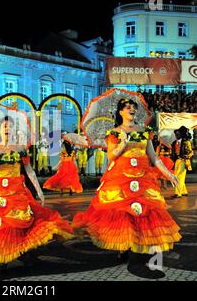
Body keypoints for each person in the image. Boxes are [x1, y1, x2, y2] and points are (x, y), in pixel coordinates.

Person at [72, 98, 181, 278]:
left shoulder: (145, 131)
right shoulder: (114, 133)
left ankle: (135, 250)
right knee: (123, 214)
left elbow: (154, 158)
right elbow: (111, 157)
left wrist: (169, 174)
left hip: (143, 179)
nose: (131, 110)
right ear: (121, 112)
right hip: (120, 179)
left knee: (143, 214)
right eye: (127, 107)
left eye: (133, 107)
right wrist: (122, 143)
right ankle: (126, 248)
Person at [0, 116, 73, 267]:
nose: (7, 129)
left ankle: (20, 251)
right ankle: (3, 255)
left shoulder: (20, 148)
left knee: (19, 221)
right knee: (0, 223)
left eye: (9, 126)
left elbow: (29, 171)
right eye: (4, 127)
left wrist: (39, 191)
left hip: (17, 189)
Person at [170, 126, 194, 199]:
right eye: (176, 134)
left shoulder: (186, 142)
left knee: (179, 177)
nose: (176, 135)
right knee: (179, 176)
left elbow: (191, 152)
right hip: (177, 161)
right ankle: (184, 191)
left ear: (181, 134)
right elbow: (173, 153)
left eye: (178, 133)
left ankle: (178, 193)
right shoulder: (174, 143)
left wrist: (186, 156)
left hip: (183, 161)